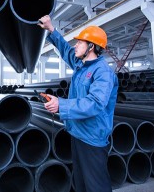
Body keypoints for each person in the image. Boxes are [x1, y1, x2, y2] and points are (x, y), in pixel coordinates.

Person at [38, 15, 118, 192]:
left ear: (91, 47)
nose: (76, 45)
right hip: (78, 133)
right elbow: (67, 50)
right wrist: (52, 29)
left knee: (96, 186)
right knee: (81, 183)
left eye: (80, 42)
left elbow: (96, 103)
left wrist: (62, 105)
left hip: (92, 137)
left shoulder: (103, 72)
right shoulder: (82, 65)